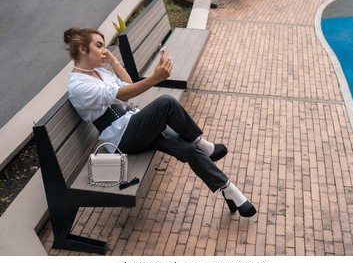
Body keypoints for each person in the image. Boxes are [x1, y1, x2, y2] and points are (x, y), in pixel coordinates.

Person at [64, 27, 256, 217]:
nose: (104, 51)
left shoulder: (99, 72)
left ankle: (229, 190)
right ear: (82, 49)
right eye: (99, 46)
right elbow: (123, 94)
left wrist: (113, 61)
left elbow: (128, 85)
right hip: (122, 139)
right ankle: (202, 143)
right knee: (166, 102)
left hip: (134, 125)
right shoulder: (79, 85)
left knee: (187, 149)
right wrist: (155, 78)